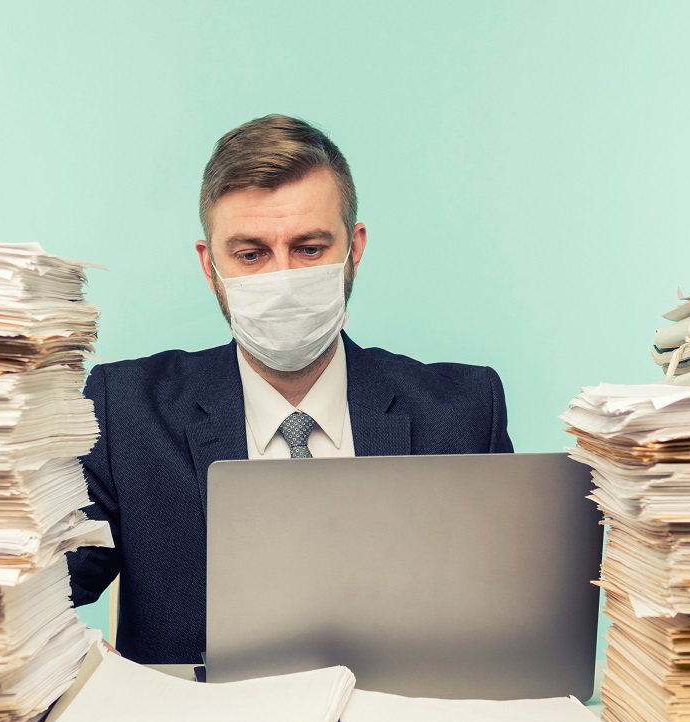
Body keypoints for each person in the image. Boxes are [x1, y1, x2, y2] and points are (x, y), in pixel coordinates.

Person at [67, 115, 514, 664]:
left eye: (308, 248)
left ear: (355, 248)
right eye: (251, 254)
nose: (281, 280)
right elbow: (33, 588)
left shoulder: (465, 411)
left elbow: (512, 616)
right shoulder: (126, 411)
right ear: (210, 266)